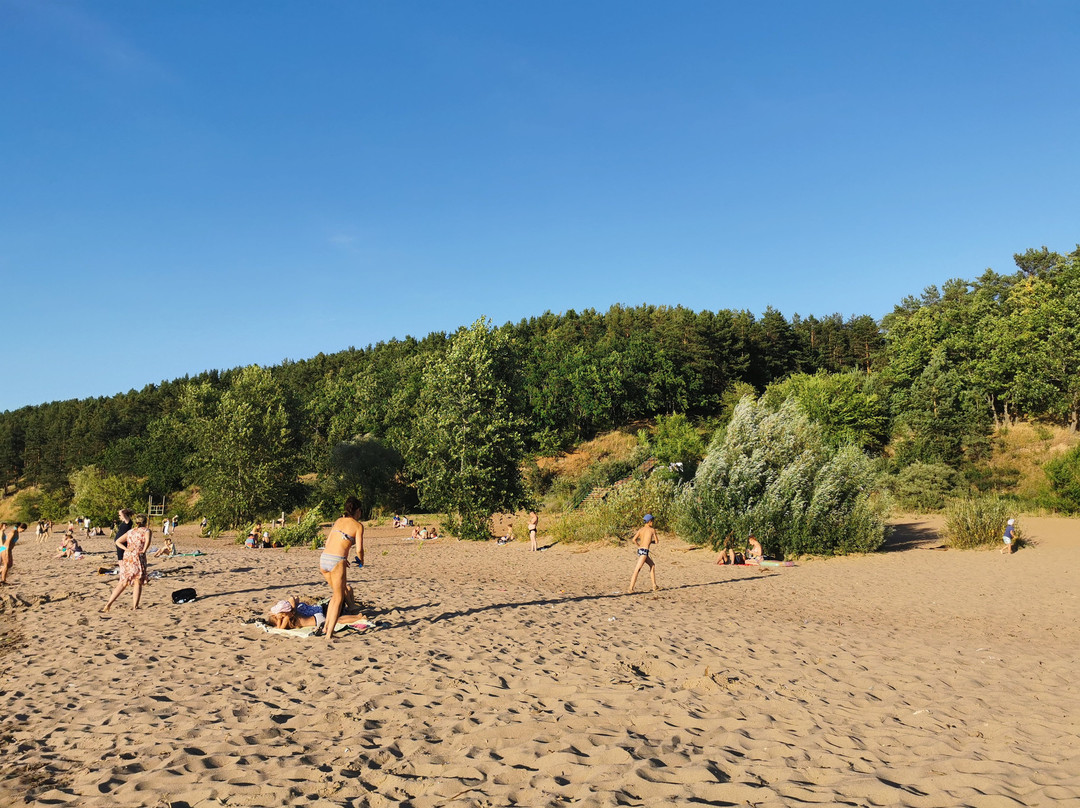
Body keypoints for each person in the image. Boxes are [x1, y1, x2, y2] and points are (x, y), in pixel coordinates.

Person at [320, 497, 364, 643]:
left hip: (324, 558)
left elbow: (329, 540)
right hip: (337, 561)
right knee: (339, 598)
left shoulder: (339, 520)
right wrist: (360, 561)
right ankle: (329, 634)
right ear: (357, 511)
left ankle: (326, 627)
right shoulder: (358, 526)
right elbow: (359, 549)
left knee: (335, 595)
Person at [102, 513, 151, 612]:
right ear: (145, 522)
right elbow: (147, 541)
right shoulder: (146, 530)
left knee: (123, 582)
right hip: (138, 555)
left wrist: (126, 549)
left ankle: (108, 604)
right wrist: (144, 550)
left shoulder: (131, 531)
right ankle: (135, 606)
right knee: (137, 581)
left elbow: (118, 541)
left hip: (128, 556)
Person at [266, 596, 364, 631]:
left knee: (338, 620)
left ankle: (358, 618)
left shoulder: (288, 618)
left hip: (317, 620)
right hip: (316, 617)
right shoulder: (292, 614)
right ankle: (357, 616)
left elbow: (280, 628)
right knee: (337, 619)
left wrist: (278, 619)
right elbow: (292, 599)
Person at [626, 514, 659, 593]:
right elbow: (657, 541)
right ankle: (631, 588)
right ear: (649, 522)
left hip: (641, 550)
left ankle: (654, 585)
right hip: (645, 551)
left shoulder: (641, 530)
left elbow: (634, 540)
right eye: (652, 521)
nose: (653, 523)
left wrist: (639, 546)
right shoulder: (652, 530)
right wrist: (650, 542)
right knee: (637, 569)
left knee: (652, 565)